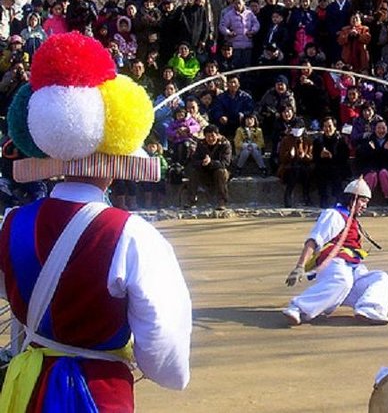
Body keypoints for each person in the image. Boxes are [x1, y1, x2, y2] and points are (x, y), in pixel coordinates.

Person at [0, 32, 190, 411]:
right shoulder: (132, 234)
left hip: (27, 387)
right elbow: (164, 344)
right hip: (99, 391)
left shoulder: (12, 223)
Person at [283, 177, 388, 325]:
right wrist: (300, 266)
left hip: (352, 269)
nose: (365, 206)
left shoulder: (351, 219)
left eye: (367, 202)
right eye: (363, 201)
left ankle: (368, 309)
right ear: (352, 199)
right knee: (343, 281)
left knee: (381, 278)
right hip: (334, 265)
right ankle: (298, 308)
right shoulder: (334, 215)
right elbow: (314, 240)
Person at [186, 124, 232, 209]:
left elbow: (225, 163)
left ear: (217, 135)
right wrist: (202, 163)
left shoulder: (225, 144)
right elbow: (194, 160)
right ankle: (191, 200)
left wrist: (211, 162)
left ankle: (222, 201)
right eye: (208, 136)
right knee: (193, 171)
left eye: (212, 136)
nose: (210, 139)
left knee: (221, 172)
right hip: (205, 171)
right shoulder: (201, 144)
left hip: (220, 172)